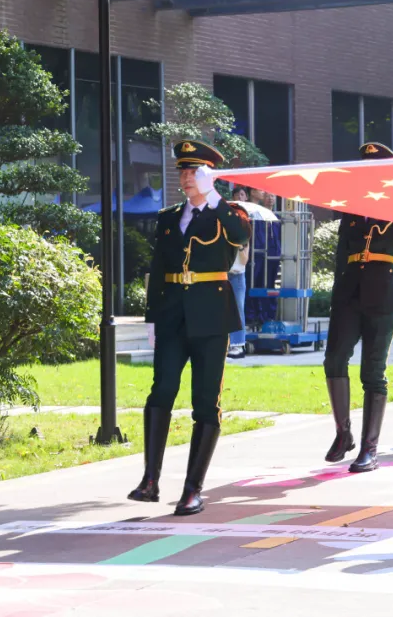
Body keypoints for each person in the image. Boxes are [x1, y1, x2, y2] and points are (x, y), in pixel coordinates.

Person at [130, 139, 251, 516]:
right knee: (161, 391)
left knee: (205, 401)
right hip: (172, 315)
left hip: (211, 317)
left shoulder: (229, 213)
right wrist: (152, 318)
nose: (186, 178)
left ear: (209, 176)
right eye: (183, 171)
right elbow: (158, 270)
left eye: (194, 172)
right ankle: (150, 480)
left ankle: (192, 489)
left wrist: (213, 195)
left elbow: (241, 238)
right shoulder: (168, 217)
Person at [323, 142, 393, 473]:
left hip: (383, 289)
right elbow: (342, 251)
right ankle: (343, 433)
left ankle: (369, 449)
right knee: (334, 358)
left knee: (372, 370)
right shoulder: (353, 204)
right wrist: (336, 294)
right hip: (350, 289)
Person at [227, 185, 251, 359]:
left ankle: (238, 345)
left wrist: (240, 245)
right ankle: (224, 344)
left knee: (238, 309)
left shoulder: (245, 236)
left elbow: (244, 261)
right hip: (222, 274)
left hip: (237, 275)